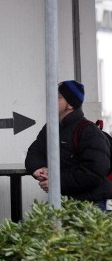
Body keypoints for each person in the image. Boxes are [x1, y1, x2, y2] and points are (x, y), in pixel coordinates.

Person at [25, 80, 112, 210]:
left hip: (94, 205)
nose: (51, 100)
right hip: (70, 204)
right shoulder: (51, 128)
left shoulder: (89, 131)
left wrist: (55, 181)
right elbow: (35, 152)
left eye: (58, 96)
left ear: (70, 104)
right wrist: (38, 168)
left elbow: (94, 172)